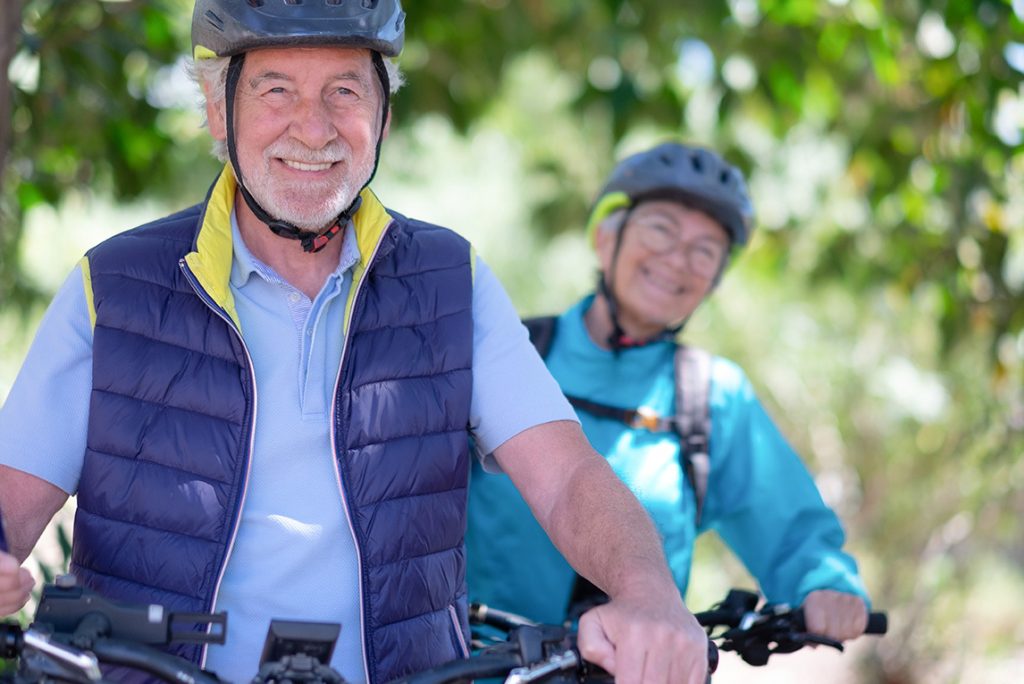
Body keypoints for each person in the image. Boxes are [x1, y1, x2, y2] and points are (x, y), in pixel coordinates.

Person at [0, 4, 711, 683]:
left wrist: (648, 593)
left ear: (384, 114)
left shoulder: (449, 281)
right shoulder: (115, 286)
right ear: (219, 110)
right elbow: (10, 508)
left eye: (344, 90)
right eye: (277, 89)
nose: (314, 129)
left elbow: (566, 478)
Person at [466, 141, 872, 645]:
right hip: (479, 665)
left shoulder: (713, 398)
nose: (677, 259)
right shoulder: (512, 354)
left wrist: (827, 586)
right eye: (661, 229)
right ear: (604, 238)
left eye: (704, 251)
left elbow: (793, 531)